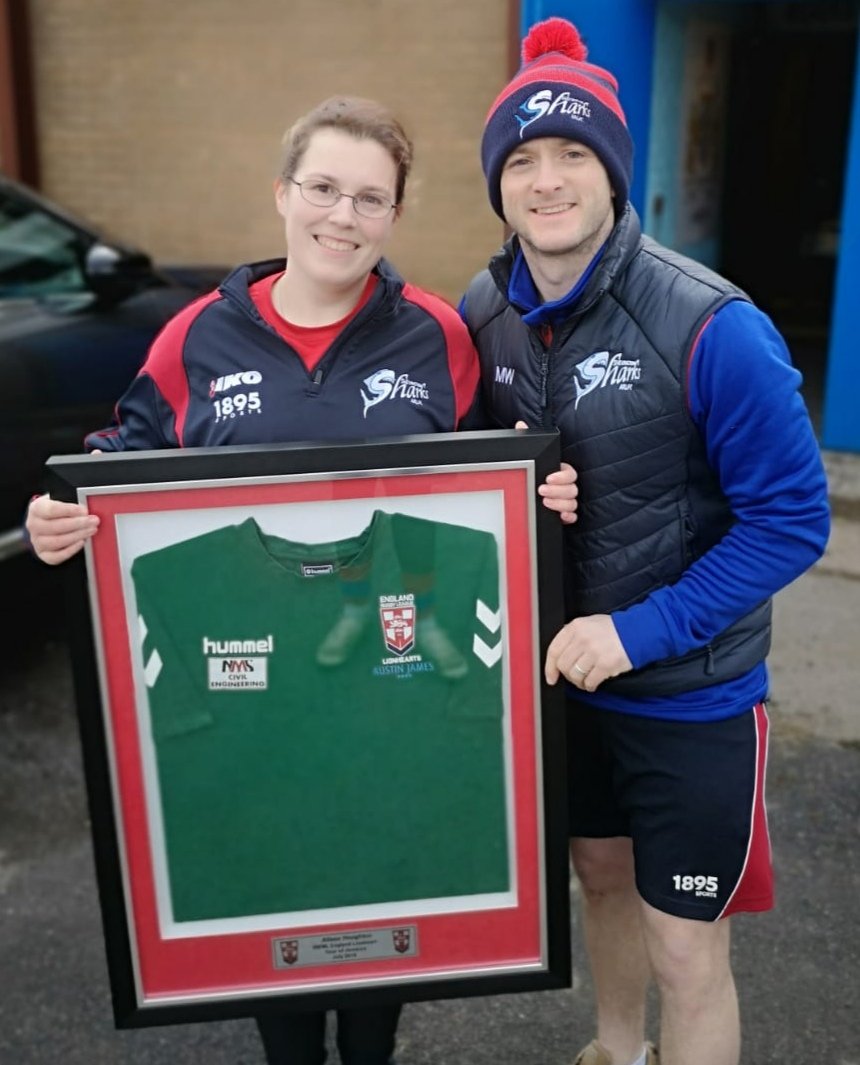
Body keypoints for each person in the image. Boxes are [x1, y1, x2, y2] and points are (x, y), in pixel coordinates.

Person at [26, 96, 576, 1065]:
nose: (342, 216)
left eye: (370, 198)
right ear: (282, 194)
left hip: (396, 679)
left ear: (394, 217)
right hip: (255, 698)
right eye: (322, 188)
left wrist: (546, 493)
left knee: (378, 897)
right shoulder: (194, 339)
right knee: (273, 889)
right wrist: (57, 516)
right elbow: (117, 461)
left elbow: (491, 479)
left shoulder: (437, 337)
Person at [461, 18, 830, 1065]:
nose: (545, 180)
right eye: (520, 160)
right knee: (600, 880)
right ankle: (616, 1052)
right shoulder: (482, 310)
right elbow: (458, 486)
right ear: (496, 183)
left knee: (685, 951)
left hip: (690, 698)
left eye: (571, 153)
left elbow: (791, 520)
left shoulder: (711, 322)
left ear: (612, 170)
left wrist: (636, 632)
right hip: (561, 689)